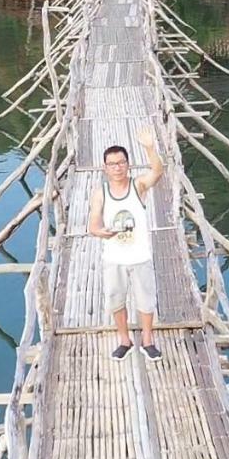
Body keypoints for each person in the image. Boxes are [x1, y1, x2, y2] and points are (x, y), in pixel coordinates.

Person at [89, 127, 165, 362]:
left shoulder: (138, 186)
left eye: (121, 163)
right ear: (105, 168)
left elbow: (158, 171)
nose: (117, 167)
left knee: (146, 299)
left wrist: (150, 147)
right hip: (114, 258)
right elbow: (92, 224)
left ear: (128, 164)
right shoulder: (100, 192)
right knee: (116, 299)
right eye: (112, 164)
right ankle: (124, 340)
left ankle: (148, 340)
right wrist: (101, 232)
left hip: (140, 256)